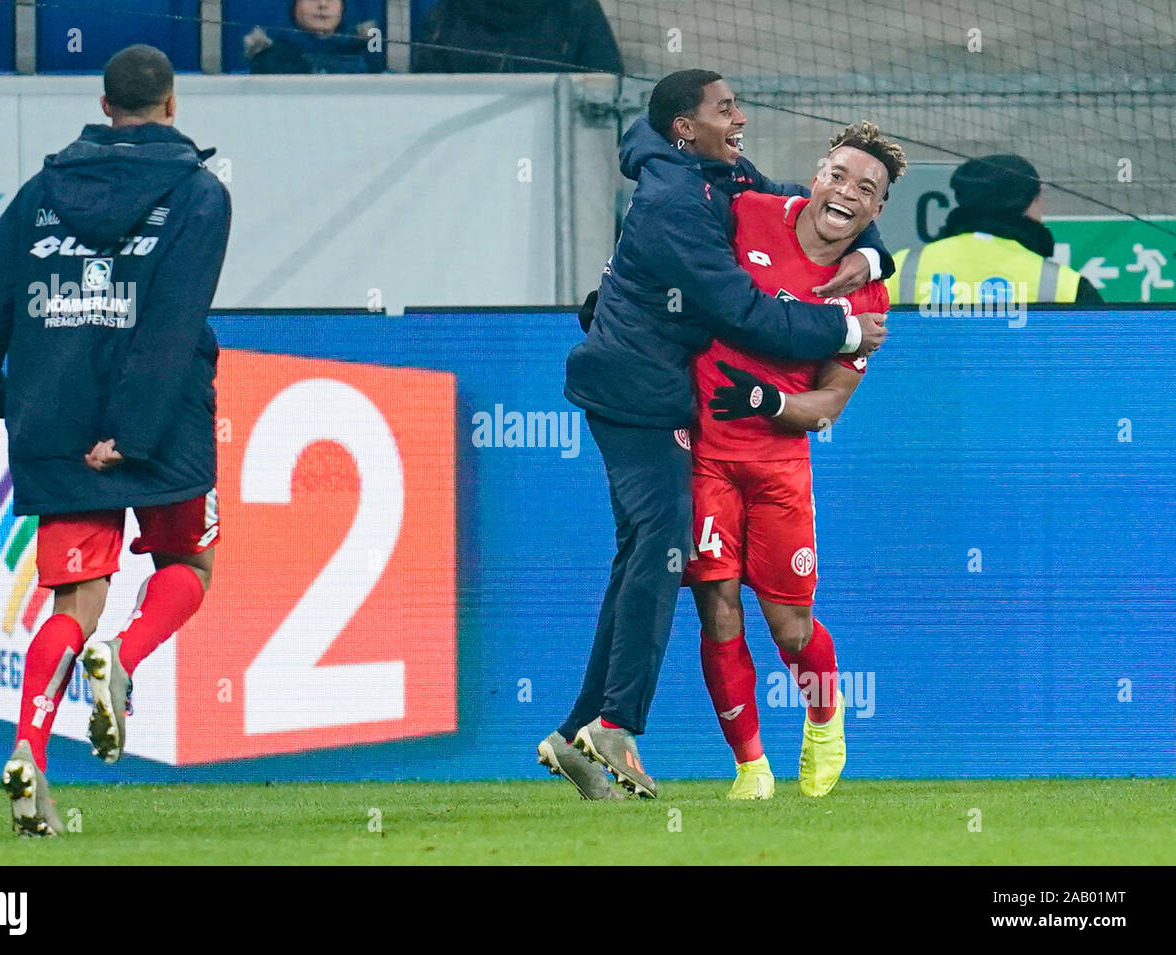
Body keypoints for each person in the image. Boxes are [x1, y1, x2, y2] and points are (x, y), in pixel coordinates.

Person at [536, 69, 889, 800]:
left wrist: (873, 252)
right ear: (683, 128)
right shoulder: (677, 201)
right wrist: (847, 326)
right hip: (643, 401)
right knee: (675, 563)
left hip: (735, 439)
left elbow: (825, 200)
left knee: (669, 567)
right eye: (725, 108)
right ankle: (635, 732)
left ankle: (580, 730)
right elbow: (743, 313)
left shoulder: (715, 178)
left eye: (864, 188)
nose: (742, 120)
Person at [0, 44, 232, 836]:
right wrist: (134, 432)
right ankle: (126, 659)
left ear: (104, 109)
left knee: (74, 598)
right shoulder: (200, 195)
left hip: (57, 419)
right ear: (172, 107)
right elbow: (173, 319)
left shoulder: (41, 193)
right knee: (187, 563)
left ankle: (29, 752)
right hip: (162, 424)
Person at [688, 123, 905, 801]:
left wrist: (765, 398)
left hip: (779, 469)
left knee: (790, 627)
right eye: (839, 175)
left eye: (866, 189)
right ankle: (751, 768)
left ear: (876, 212)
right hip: (704, 460)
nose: (847, 192)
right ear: (817, 174)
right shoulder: (749, 212)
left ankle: (823, 716)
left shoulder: (867, 296)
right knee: (718, 610)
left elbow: (829, 405)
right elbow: (675, 253)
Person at [886, 153, 1102, 307]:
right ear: (1028, 203)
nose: (1043, 207)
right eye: (1039, 198)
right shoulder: (1063, 285)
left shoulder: (900, 271)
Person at [411, 0, 622, 74]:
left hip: (558, 146)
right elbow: (428, 97)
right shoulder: (445, 18)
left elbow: (608, 87)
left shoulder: (577, 10)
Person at [244, 0, 384, 75]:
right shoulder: (270, 56)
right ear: (294, 7)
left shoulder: (364, 51)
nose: (322, 4)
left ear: (343, 7)